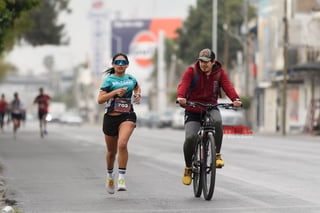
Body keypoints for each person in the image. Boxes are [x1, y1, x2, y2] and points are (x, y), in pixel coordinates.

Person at [176, 48, 242, 185]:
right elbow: (183, 85)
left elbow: (227, 86)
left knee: (217, 121)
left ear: (213, 62)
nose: (203, 64)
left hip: (210, 107)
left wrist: (235, 99)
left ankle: (217, 154)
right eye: (201, 61)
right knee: (190, 137)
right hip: (192, 108)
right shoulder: (191, 71)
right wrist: (181, 97)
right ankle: (188, 167)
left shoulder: (219, 73)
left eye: (206, 62)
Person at [97, 53, 141, 194]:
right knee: (111, 152)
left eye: (123, 62)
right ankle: (110, 176)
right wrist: (115, 92)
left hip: (127, 116)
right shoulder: (108, 80)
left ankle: (121, 178)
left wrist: (138, 95)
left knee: (122, 144)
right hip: (110, 118)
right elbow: (100, 100)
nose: (120, 64)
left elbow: (137, 87)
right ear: (113, 64)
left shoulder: (131, 78)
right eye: (118, 62)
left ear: (127, 65)